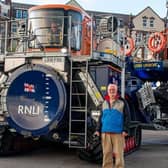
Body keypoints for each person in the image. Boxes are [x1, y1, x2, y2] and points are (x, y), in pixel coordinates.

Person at [95, 83, 128, 168]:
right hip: (105, 133)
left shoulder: (122, 102)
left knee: (119, 154)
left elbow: (127, 117)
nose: (112, 91)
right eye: (110, 90)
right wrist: (97, 130)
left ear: (116, 91)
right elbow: (100, 118)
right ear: (108, 91)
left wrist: (125, 129)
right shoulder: (104, 103)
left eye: (113, 90)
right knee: (106, 154)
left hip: (118, 133)